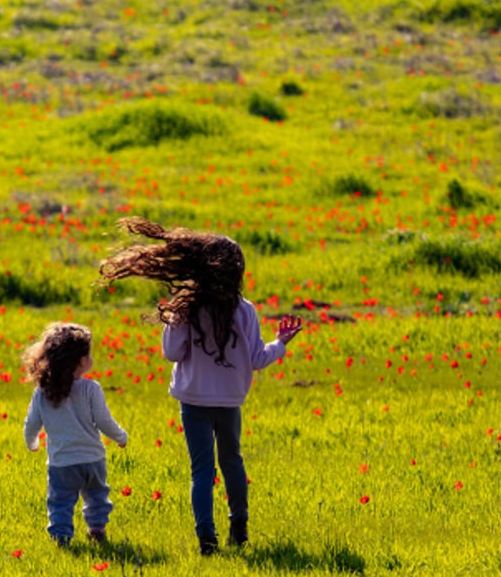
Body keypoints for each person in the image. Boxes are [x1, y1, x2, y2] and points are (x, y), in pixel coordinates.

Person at [99, 218, 302, 555]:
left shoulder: (189, 309)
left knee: (202, 470)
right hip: (229, 402)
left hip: (193, 401)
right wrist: (281, 342)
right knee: (232, 461)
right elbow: (257, 359)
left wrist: (172, 318)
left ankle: (206, 538)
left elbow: (172, 353)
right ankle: (239, 527)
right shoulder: (246, 311)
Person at [22, 322, 128, 547]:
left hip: (62, 462)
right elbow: (103, 422)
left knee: (60, 502)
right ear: (80, 361)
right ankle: (97, 529)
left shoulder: (42, 393)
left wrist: (31, 442)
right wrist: (120, 437)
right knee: (97, 497)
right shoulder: (91, 389)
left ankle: (61, 538)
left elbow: (32, 423)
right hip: (92, 459)